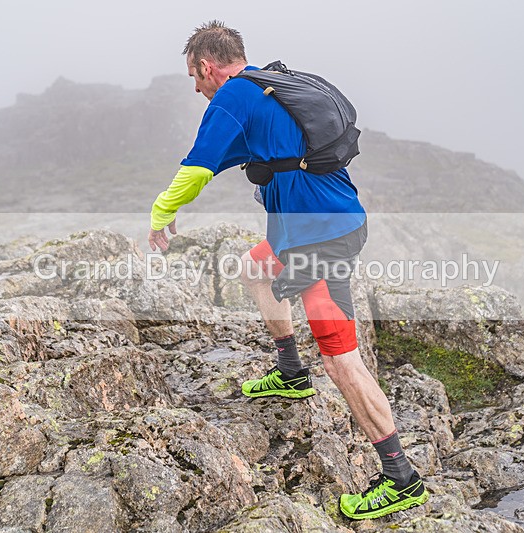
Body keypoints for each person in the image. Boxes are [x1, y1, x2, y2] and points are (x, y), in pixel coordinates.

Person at [147, 20, 429, 520]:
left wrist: (160, 216)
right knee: (254, 269)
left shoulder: (234, 97)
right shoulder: (271, 85)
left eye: (194, 77)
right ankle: (290, 372)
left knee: (341, 358)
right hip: (309, 230)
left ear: (207, 66)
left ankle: (400, 478)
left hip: (319, 239)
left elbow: (194, 172)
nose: (195, 88)